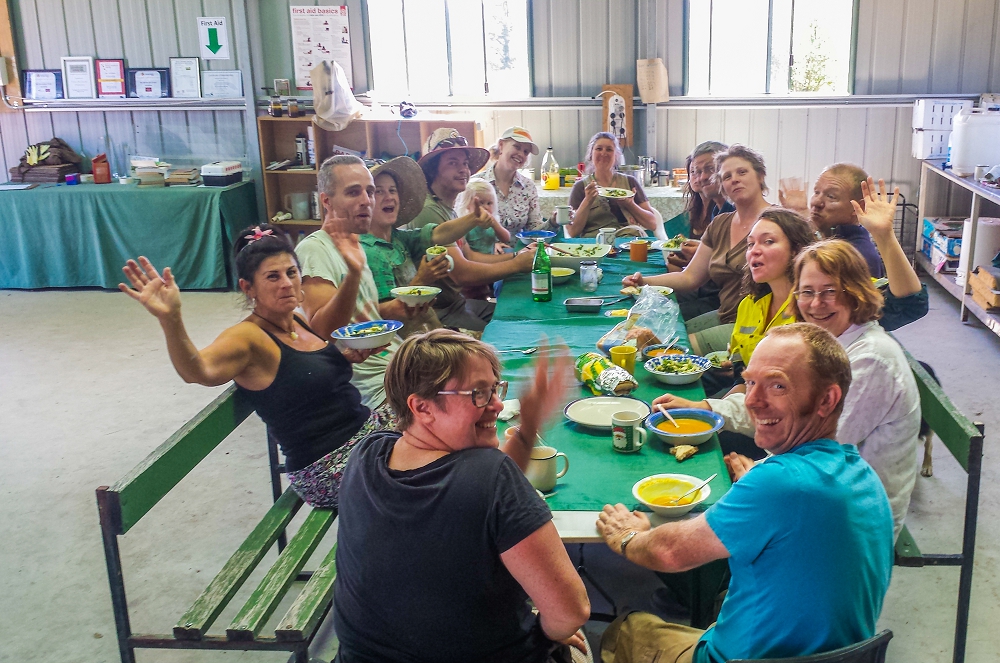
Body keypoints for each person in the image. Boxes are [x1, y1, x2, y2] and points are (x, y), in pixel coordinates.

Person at [598, 324, 894, 663]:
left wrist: (627, 537)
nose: (752, 401)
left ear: (827, 399)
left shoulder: (778, 484)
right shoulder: (863, 476)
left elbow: (669, 553)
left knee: (627, 630)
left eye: (777, 386)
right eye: (751, 382)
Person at [333, 330, 591, 663]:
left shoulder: (367, 453)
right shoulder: (492, 476)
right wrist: (546, 626)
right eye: (478, 394)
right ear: (422, 407)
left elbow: (474, 495)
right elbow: (572, 613)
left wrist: (528, 426)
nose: (497, 405)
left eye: (496, 389)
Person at [117, 226, 391, 508]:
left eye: (291, 273)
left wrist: (345, 358)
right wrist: (171, 319)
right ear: (248, 288)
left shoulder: (298, 321)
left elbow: (300, 374)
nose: (286, 283)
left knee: (430, 407)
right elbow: (197, 370)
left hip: (364, 435)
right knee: (430, 464)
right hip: (328, 466)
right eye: (272, 276)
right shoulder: (247, 337)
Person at [297, 154, 419, 410]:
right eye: (353, 193)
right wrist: (353, 275)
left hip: (399, 367)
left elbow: (365, 317)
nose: (367, 201)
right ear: (326, 201)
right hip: (374, 389)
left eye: (369, 192)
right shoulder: (314, 250)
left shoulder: (355, 246)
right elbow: (322, 333)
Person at [623, 145, 773, 352]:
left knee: (668, 350)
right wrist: (643, 281)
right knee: (655, 335)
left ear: (760, 175)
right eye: (727, 176)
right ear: (721, 185)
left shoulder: (776, 221)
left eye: (742, 172)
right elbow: (690, 277)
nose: (734, 179)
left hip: (759, 327)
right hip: (725, 315)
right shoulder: (721, 223)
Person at [409, 128, 536, 332]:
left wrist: (518, 255)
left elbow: (469, 255)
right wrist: (516, 265)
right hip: (440, 316)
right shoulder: (429, 211)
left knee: (525, 316)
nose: (463, 170)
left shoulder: (446, 207)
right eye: (453, 163)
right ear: (433, 169)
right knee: (513, 330)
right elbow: (462, 274)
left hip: (458, 304)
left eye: (465, 163)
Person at [360, 157, 496, 336]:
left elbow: (437, 234)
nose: (389, 197)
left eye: (393, 190)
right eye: (379, 191)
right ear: (366, 202)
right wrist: (422, 279)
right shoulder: (370, 251)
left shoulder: (398, 238)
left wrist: (472, 219)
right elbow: (387, 318)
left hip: (429, 327)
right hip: (408, 344)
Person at [726, 208, 816, 369]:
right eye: (750, 244)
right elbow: (741, 373)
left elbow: (871, 288)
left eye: (768, 241)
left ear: (796, 251)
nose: (754, 251)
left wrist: (878, 234)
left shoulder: (813, 307)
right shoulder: (748, 304)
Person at [779, 163, 885, 278]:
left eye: (831, 196)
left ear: (858, 207)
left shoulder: (859, 256)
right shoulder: (828, 237)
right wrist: (800, 214)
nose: (816, 202)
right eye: (816, 192)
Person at [566, 132, 658, 238]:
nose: (604, 153)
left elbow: (652, 224)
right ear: (591, 154)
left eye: (609, 149)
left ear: (616, 156)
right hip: (594, 243)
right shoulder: (581, 187)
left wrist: (630, 205)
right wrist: (588, 200)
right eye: (599, 149)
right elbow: (572, 231)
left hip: (627, 241)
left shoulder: (629, 182)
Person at [474, 125, 549, 235]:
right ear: (501, 146)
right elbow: (464, 229)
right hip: (484, 250)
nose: (521, 154)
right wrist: (489, 244)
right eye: (517, 147)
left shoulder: (528, 187)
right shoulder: (476, 183)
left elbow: (534, 230)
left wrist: (553, 222)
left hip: (520, 251)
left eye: (526, 152)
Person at [456, 179, 512, 255]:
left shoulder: (492, 222)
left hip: (491, 260)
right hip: (474, 263)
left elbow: (506, 238)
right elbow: (465, 253)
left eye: (489, 203)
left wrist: (495, 224)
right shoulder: (465, 226)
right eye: (480, 203)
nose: (486, 207)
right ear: (467, 204)